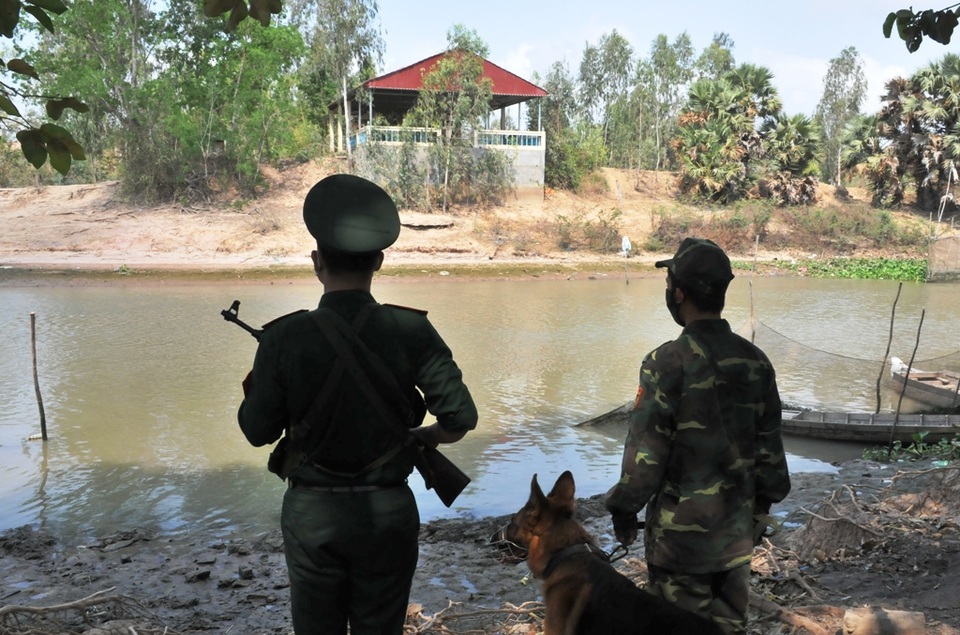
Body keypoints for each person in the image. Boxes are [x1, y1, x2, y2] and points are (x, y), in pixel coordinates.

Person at [237, 173, 478, 635]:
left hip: (312, 515)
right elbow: (461, 417)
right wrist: (424, 436)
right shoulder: (411, 330)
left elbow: (255, 431)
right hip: (387, 512)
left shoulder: (284, 337)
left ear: (315, 262)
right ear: (380, 261)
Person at [604, 237, 791, 634]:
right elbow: (771, 457)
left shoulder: (665, 363)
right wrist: (759, 513)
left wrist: (623, 508)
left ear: (679, 293)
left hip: (679, 548)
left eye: (669, 283)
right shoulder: (756, 362)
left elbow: (645, 460)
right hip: (737, 541)